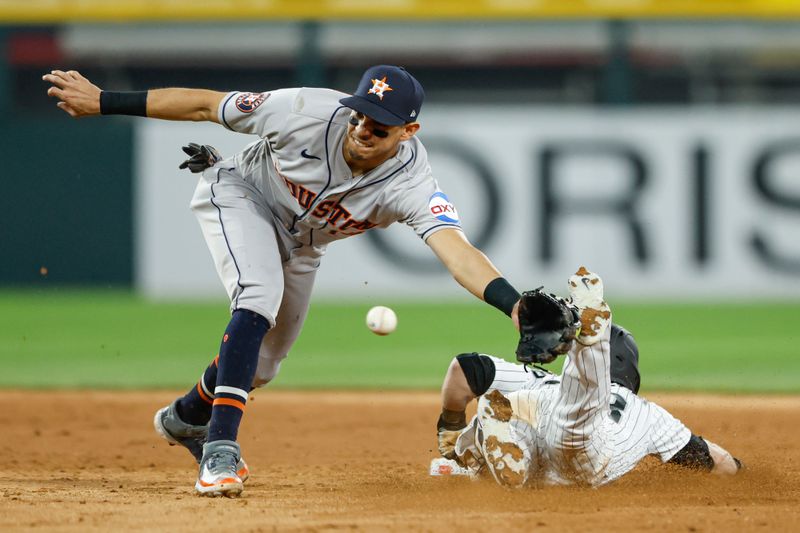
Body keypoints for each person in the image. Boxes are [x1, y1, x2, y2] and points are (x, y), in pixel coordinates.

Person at [43, 65, 525, 497]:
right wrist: (105, 101)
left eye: (377, 126)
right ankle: (220, 449)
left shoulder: (412, 184)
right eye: (358, 115)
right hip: (239, 193)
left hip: (303, 247)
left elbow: (458, 254)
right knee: (257, 298)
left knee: (261, 366)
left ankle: (188, 417)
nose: (360, 129)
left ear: (409, 130)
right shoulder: (302, 109)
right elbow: (206, 103)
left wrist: (515, 306)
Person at [435, 267, 742, 488]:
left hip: (553, 414)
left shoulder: (544, 381)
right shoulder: (651, 415)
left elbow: (466, 368)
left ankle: (488, 451)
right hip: (595, 456)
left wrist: (450, 426)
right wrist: (742, 473)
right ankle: (590, 342)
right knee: (576, 417)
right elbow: (718, 462)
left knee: (511, 408)